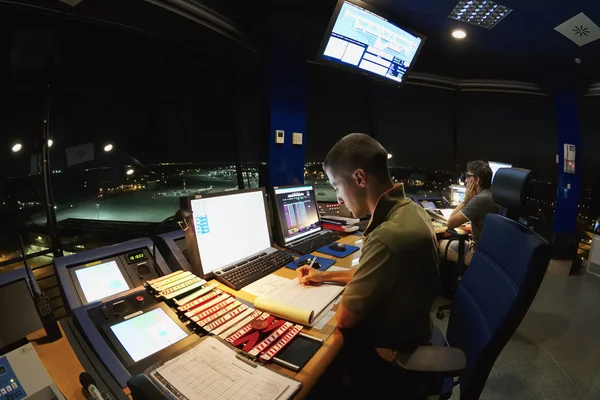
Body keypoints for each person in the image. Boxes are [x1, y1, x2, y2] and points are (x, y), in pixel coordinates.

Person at [297, 133, 439, 398]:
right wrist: (324, 276)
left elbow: (345, 318)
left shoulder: (386, 236)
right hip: (416, 330)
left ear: (360, 179)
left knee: (316, 357)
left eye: (337, 186)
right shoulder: (411, 210)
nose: (338, 198)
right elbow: (371, 273)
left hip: (391, 357)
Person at [440, 160, 499, 264]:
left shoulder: (479, 200)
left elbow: (450, 223)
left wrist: (466, 201)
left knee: (439, 244)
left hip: (478, 254)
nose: (466, 180)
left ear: (476, 180)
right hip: (492, 253)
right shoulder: (494, 195)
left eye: (467, 176)